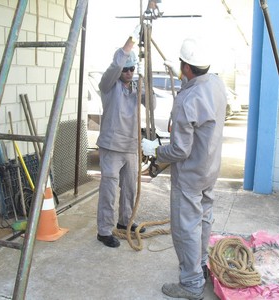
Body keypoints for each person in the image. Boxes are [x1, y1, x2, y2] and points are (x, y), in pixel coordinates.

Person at [142, 37, 227, 299]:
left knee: (185, 227)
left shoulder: (187, 99)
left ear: (187, 68)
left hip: (189, 175)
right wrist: (179, 72)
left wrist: (155, 150)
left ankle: (191, 283)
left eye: (182, 66)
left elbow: (180, 150)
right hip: (210, 168)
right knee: (203, 218)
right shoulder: (216, 83)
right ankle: (200, 264)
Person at [96, 26, 151, 248]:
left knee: (129, 187)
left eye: (131, 69)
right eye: (125, 69)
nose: (128, 72)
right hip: (111, 147)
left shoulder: (137, 86)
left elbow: (152, 106)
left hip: (130, 147)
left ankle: (124, 222)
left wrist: (146, 87)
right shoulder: (108, 85)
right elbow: (117, 64)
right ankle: (104, 230)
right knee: (109, 189)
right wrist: (130, 44)